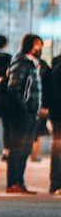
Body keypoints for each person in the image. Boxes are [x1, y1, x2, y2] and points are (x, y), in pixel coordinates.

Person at [3, 34, 43, 194]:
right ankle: (13, 183)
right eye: (37, 44)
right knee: (18, 149)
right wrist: (24, 110)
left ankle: (19, 182)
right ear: (30, 45)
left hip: (30, 113)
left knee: (25, 149)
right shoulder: (22, 64)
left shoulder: (32, 64)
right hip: (21, 115)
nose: (40, 47)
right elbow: (14, 89)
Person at [47, 52, 61, 196]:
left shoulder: (55, 67)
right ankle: (56, 184)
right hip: (59, 116)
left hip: (56, 115)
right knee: (58, 150)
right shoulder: (58, 69)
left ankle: (56, 184)